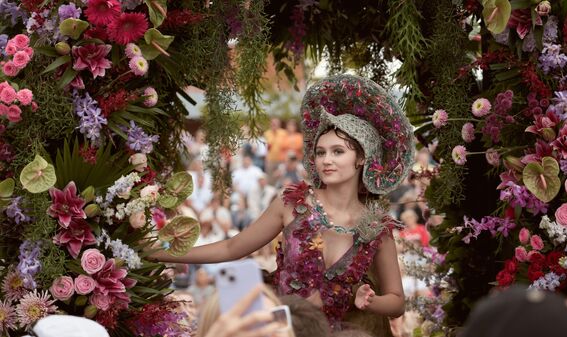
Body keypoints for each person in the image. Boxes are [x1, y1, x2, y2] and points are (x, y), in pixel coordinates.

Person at [152, 75, 415, 335]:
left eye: (338, 151)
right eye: (320, 152)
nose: (325, 160)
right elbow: (231, 247)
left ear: (361, 159)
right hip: (280, 329)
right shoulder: (292, 204)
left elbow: (397, 302)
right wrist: (155, 252)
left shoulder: (376, 227)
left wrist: (369, 300)